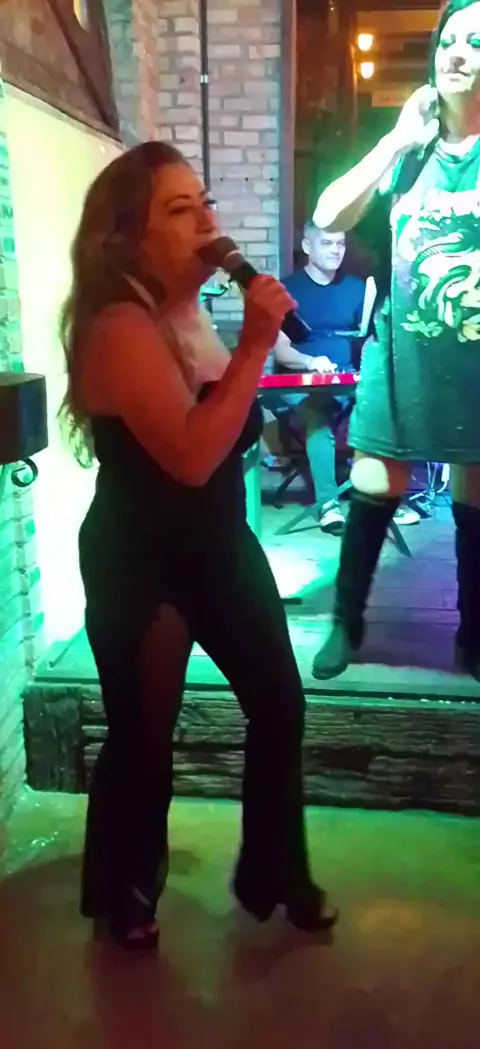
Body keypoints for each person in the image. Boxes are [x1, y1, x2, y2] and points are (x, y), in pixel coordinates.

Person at [59, 141, 337, 950]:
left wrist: (257, 343)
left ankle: (274, 873)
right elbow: (189, 456)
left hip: (218, 542)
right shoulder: (118, 324)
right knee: (145, 732)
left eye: (205, 202)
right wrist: (254, 344)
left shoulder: (190, 311)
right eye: (180, 210)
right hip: (140, 553)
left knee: (279, 704)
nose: (208, 223)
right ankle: (125, 889)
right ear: (127, 238)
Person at [311, 0, 480, 682]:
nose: (456, 53)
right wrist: (397, 141)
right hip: (401, 349)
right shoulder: (410, 155)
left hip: (474, 358)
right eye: (449, 40)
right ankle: (345, 620)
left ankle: (474, 631)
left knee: (476, 490)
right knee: (374, 478)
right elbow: (328, 214)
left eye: (476, 42)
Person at [271, 222, 419, 533]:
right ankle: (328, 504)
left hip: (346, 378)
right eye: (327, 243)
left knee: (387, 413)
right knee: (318, 414)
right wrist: (311, 362)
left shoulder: (356, 289)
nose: (336, 251)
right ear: (307, 247)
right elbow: (282, 352)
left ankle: (386, 500)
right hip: (300, 381)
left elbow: (369, 338)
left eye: (340, 244)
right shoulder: (287, 290)